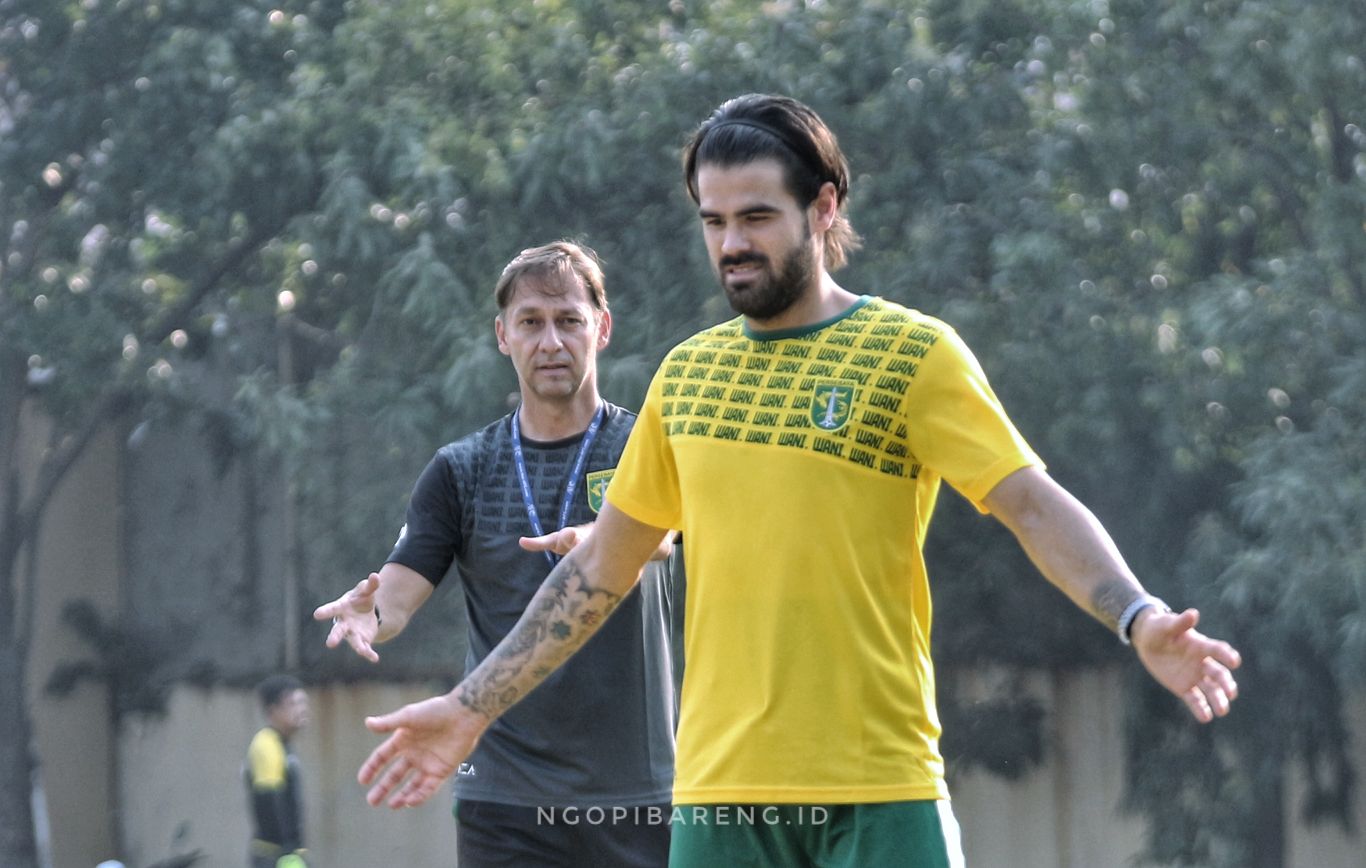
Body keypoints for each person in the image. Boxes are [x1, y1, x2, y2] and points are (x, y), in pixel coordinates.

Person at [352, 95, 1243, 867]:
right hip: (719, 803)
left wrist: (1139, 616)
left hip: (880, 790)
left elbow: (1029, 501)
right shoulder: (687, 376)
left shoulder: (911, 353)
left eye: (756, 217)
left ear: (823, 207)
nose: (731, 244)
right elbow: (598, 572)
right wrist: (471, 708)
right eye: (713, 221)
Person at [314, 241, 679, 867]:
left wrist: (615, 540)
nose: (551, 342)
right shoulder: (461, 469)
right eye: (530, 322)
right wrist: (371, 614)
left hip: (637, 791)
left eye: (569, 320)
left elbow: (668, 537)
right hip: (505, 795)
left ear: (603, 327)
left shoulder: (650, 449)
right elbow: (402, 587)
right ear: (503, 335)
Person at [245, 674, 309, 868]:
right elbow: (269, 802)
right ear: (273, 710)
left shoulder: (282, 745)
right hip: (274, 857)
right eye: (293, 703)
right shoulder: (266, 744)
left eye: (303, 702)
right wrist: (287, 854)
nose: (302, 709)